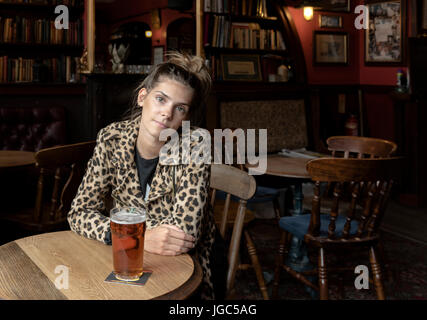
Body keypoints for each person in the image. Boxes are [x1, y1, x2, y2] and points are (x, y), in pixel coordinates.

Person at [67, 52, 226, 300]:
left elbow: (183, 234)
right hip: (127, 256)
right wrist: (136, 236)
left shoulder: (195, 144)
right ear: (143, 97)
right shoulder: (112, 138)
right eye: (161, 99)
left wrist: (126, 232)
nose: (167, 113)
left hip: (188, 266)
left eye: (180, 108)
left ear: (186, 116)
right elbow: (79, 213)